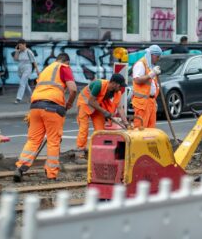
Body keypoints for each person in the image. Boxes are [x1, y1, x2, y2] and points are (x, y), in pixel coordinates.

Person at [14, 53, 77, 182]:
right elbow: (73, 89)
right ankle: (51, 173)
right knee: (53, 141)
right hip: (53, 107)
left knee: (33, 140)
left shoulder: (46, 70)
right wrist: (68, 104)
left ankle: (20, 168)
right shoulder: (64, 67)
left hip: (35, 106)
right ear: (67, 61)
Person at [75, 74, 129, 161]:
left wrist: (125, 122)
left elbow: (119, 108)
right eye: (120, 86)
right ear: (114, 84)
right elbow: (91, 101)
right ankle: (79, 152)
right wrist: (104, 111)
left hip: (97, 106)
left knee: (100, 131)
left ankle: (98, 151)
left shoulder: (117, 92)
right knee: (84, 129)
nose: (121, 89)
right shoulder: (99, 84)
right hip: (84, 104)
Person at [132, 45, 162, 128]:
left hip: (151, 102)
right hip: (142, 104)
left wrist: (154, 99)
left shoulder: (150, 66)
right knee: (140, 129)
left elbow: (152, 84)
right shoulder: (141, 64)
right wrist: (151, 74)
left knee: (151, 129)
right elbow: (137, 80)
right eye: (157, 56)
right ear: (151, 55)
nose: (158, 59)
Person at [13, 39, 40, 104]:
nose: (19, 47)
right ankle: (31, 97)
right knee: (25, 84)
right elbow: (15, 59)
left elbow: (34, 61)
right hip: (20, 69)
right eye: (18, 45)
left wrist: (37, 70)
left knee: (22, 83)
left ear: (24, 44)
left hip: (27, 68)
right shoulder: (19, 52)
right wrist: (16, 51)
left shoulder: (29, 52)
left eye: (20, 45)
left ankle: (18, 98)